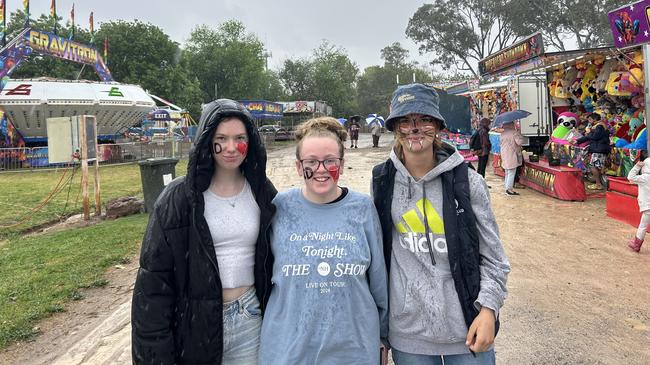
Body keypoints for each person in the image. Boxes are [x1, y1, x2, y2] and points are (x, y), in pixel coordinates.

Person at [371, 83, 510, 365]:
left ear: (437, 125)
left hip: (468, 329)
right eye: (405, 121)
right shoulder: (382, 181)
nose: (415, 128)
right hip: (409, 335)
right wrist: (379, 332)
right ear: (395, 127)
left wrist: (488, 309)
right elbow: (379, 259)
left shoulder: (468, 183)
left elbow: (494, 258)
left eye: (424, 119)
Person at [131, 99, 277, 365]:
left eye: (240, 138)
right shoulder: (177, 199)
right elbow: (154, 283)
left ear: (251, 141)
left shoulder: (263, 192)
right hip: (194, 323)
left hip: (250, 317)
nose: (232, 147)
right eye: (221, 138)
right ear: (207, 141)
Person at [259, 117, 388, 364]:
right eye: (311, 162)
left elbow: (379, 282)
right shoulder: (278, 208)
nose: (321, 169)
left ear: (341, 164)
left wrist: (383, 337)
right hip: (288, 351)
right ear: (298, 166)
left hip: (353, 351)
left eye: (330, 161)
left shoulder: (362, 208)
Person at [574, 113, 610, 190]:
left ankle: (598, 184)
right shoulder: (597, 126)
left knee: (593, 166)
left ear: (594, 119)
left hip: (599, 149)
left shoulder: (599, 126)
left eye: (590, 119)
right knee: (596, 166)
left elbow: (594, 136)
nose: (589, 121)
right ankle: (599, 183)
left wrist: (589, 132)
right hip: (598, 148)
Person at [626, 153, 649, 252]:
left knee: (643, 226)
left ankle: (636, 244)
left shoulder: (644, 178)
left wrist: (637, 166)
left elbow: (630, 177)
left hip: (648, 208)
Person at [500, 121, 524, 196]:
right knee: (511, 172)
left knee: (507, 172)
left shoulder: (502, 134)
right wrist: (520, 135)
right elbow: (519, 142)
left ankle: (507, 188)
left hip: (504, 154)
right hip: (512, 155)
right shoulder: (514, 132)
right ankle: (509, 189)